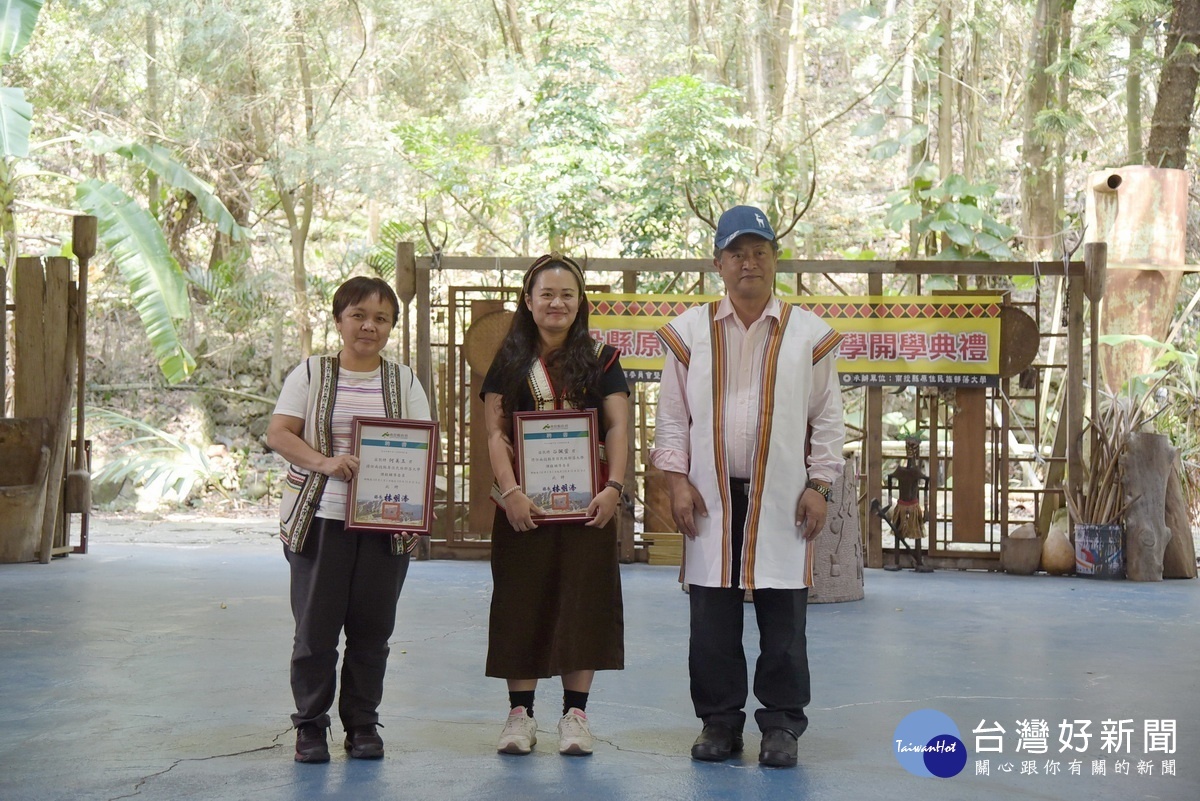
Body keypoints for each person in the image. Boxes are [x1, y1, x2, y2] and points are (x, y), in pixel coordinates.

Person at [650, 205, 845, 768]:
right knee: (712, 615)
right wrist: (677, 481)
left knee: (783, 614)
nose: (749, 262)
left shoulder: (808, 334)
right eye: (737, 252)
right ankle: (719, 723)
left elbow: (829, 420)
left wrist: (820, 484)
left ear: (775, 260)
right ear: (719, 263)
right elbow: (670, 418)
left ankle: (782, 725)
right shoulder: (689, 332)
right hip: (710, 495)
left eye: (760, 251)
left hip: (783, 496)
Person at [267, 276, 431, 763]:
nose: (369, 326)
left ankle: (362, 725)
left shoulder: (404, 381)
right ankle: (310, 727)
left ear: (391, 327)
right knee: (315, 632)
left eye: (381, 318)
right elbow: (279, 433)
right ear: (339, 320)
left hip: (384, 524)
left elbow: (421, 446)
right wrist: (325, 462)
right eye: (358, 315)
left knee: (372, 631)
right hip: (321, 519)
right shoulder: (312, 373)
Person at [481, 253, 629, 757]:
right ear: (528, 301)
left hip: (590, 507)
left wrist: (615, 488)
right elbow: (495, 433)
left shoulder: (603, 359)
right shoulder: (509, 361)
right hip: (524, 510)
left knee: (584, 603)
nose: (557, 303)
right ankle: (519, 715)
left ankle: (575, 714)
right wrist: (512, 492)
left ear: (580, 301)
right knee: (521, 602)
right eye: (546, 294)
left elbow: (618, 426)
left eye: (567, 294)